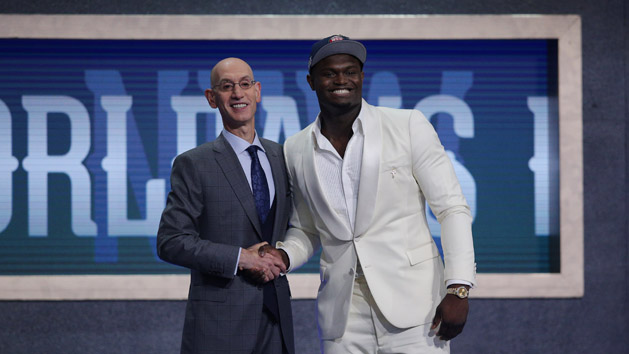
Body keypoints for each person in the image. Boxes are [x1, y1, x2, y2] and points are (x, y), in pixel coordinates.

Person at [263, 35, 476, 353]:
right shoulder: (295, 148)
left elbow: (452, 209)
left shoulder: (407, 125)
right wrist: (283, 255)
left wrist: (458, 287)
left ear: (362, 77)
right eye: (329, 73)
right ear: (311, 81)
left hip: (416, 308)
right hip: (343, 315)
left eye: (350, 71)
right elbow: (307, 228)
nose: (341, 80)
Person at [157, 57, 294, 354]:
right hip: (219, 326)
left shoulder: (283, 157)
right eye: (227, 86)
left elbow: (302, 226)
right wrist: (242, 258)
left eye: (245, 84)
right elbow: (171, 241)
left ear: (257, 91)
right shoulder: (194, 164)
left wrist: (284, 256)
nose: (237, 93)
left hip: (276, 318)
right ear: (211, 98)